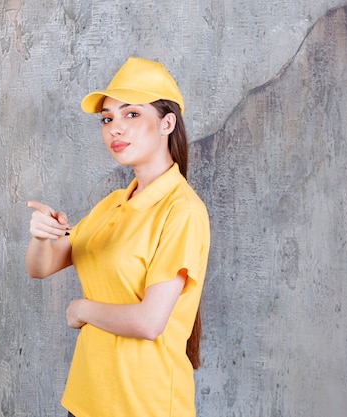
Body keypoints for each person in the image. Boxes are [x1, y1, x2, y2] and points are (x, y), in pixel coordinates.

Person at [25, 57, 211, 417]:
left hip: (143, 406)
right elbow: (41, 267)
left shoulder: (182, 211)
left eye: (132, 115)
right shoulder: (114, 203)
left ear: (167, 123)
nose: (115, 129)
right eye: (108, 119)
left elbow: (149, 322)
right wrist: (40, 236)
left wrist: (82, 309)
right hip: (88, 400)